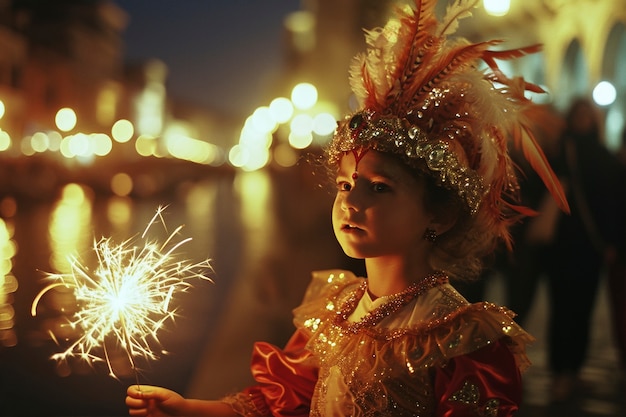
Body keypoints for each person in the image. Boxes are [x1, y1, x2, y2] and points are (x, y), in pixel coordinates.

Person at [126, 0, 569, 415]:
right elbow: (283, 401)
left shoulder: (462, 341)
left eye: (378, 189)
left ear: (440, 214)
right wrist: (191, 408)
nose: (350, 203)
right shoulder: (332, 309)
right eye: (343, 185)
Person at [541, 98, 626, 403]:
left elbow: (615, 203)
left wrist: (612, 243)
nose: (583, 120)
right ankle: (560, 371)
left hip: (592, 249)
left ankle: (573, 371)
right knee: (563, 309)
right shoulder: (561, 151)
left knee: (584, 310)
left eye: (587, 115)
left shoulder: (603, 155)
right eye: (578, 114)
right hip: (563, 247)